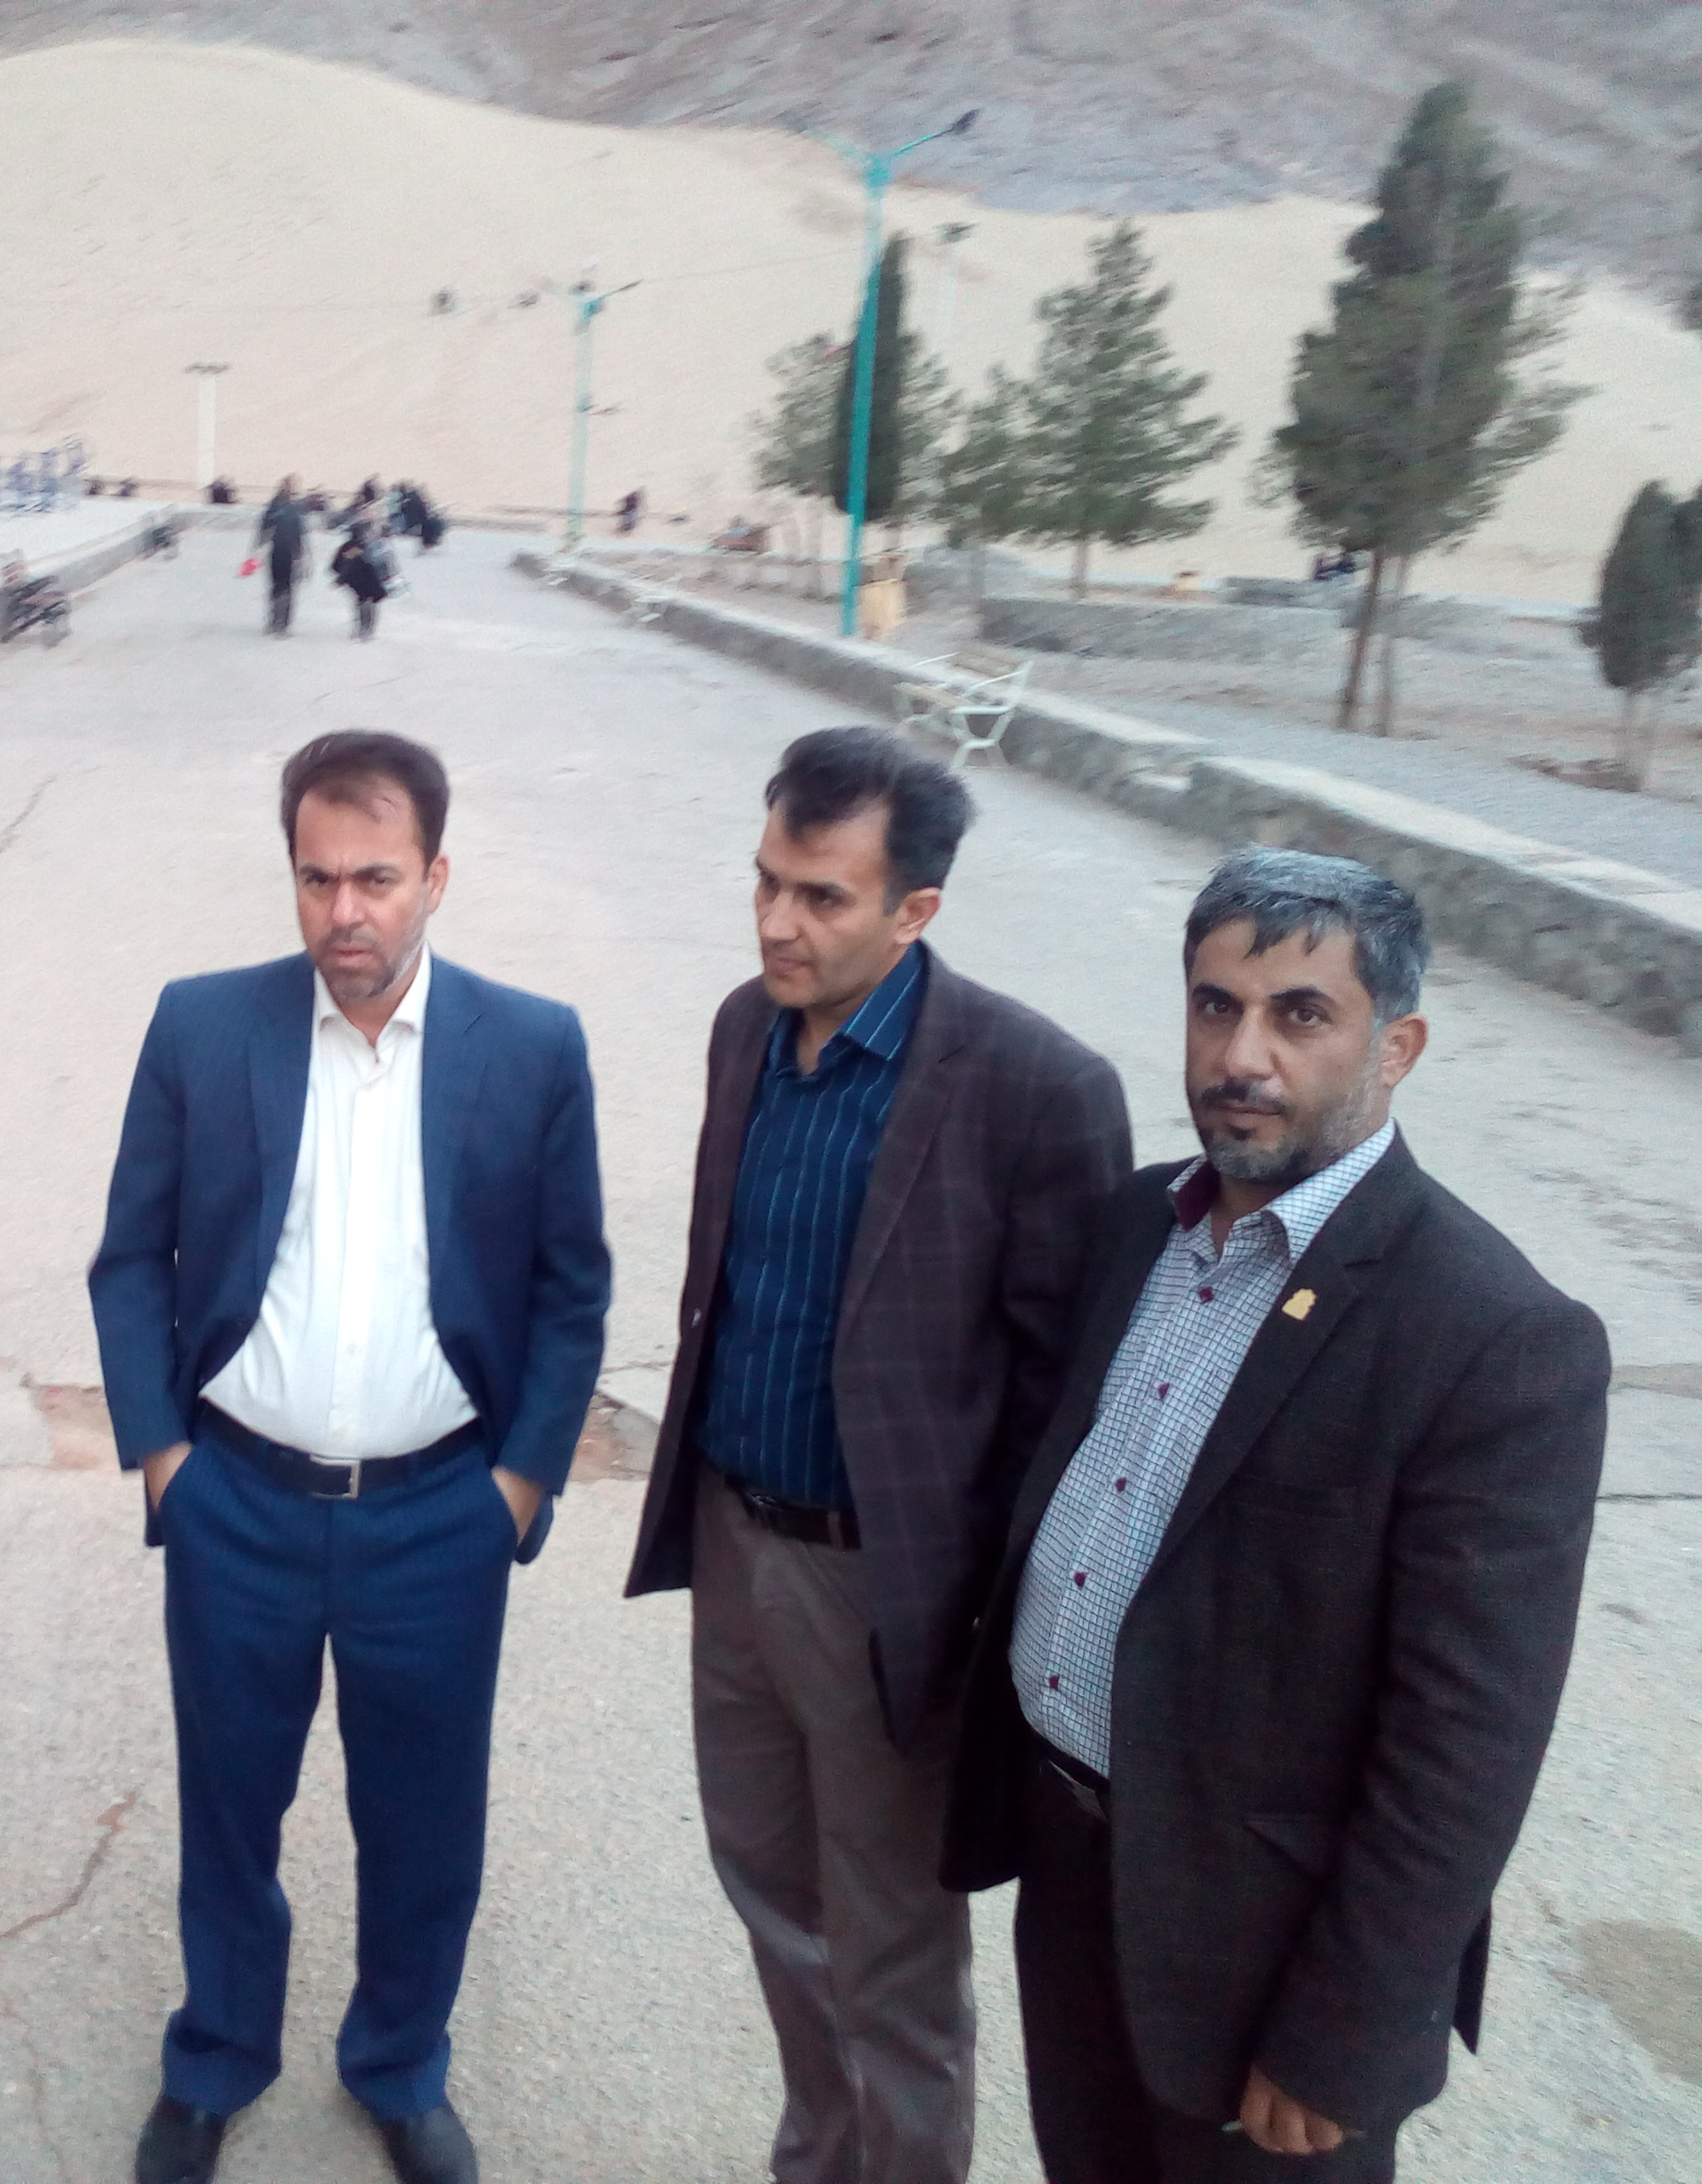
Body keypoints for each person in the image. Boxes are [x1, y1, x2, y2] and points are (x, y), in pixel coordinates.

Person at [945, 848, 1612, 2183]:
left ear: (1397, 1046)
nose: (1242, 1056)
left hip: (1262, 1952)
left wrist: (1345, 2032)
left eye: (1301, 1014)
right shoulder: (1138, 1224)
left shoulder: (1493, 1338)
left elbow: (1466, 1748)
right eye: (1216, 1006)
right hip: (1078, 1872)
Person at [91, 732, 609, 2184]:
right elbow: (130, 1260)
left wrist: (515, 1488)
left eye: (375, 877)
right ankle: (216, 2055)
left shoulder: (530, 1047)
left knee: (423, 1821)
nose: (344, 912)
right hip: (237, 1504)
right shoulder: (205, 1027)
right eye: (316, 878)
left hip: (437, 1511)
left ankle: (397, 2064)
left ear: (435, 876)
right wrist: (164, 1461)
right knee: (228, 1808)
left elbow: (571, 1288)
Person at [624, 726, 1132, 2184]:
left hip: (883, 1594)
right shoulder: (745, 1027)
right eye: (765, 881)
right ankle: (819, 2157)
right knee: (769, 1891)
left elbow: (1060, 1399)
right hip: (735, 1546)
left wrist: (969, 1622)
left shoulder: (1032, 1087)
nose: (776, 922)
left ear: (914, 910)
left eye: (820, 896)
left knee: (891, 1949)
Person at [255, 476, 310, 637]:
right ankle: (278, 622)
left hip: (287, 552)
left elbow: (299, 533)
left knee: (284, 588)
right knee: (280, 587)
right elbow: (264, 528)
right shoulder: (279, 507)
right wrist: (257, 549)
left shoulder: (289, 508)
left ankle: (280, 623)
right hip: (280, 551)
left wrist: (302, 555)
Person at [333, 527, 391, 641]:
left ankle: (363, 629)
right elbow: (384, 563)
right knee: (368, 604)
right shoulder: (372, 546)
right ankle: (367, 629)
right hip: (370, 580)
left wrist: (341, 579)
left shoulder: (348, 548)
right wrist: (386, 576)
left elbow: (338, 566)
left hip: (359, 581)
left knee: (362, 603)